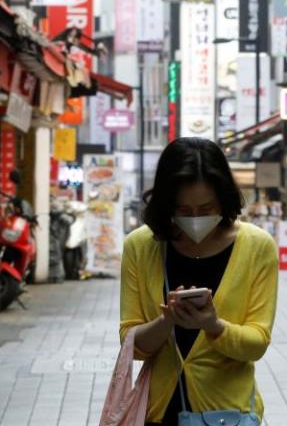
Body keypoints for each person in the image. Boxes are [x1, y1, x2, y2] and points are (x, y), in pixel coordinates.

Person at [119, 138, 278, 426]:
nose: (195, 218)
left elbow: (257, 343)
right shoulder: (141, 246)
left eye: (206, 209)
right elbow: (132, 344)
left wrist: (213, 325)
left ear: (224, 199)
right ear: (167, 204)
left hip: (227, 416)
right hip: (156, 414)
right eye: (183, 210)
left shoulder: (257, 247)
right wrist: (166, 321)